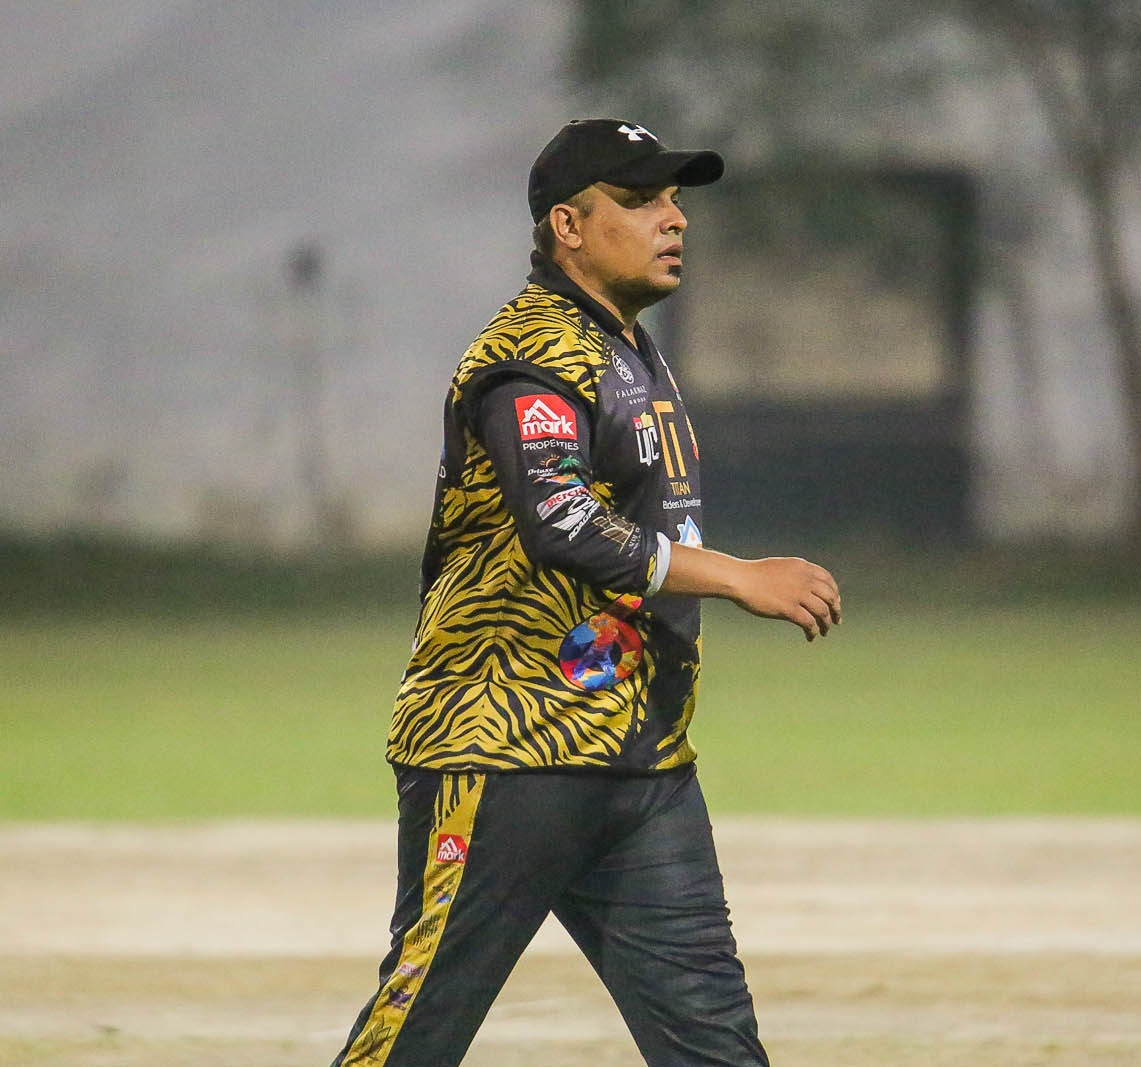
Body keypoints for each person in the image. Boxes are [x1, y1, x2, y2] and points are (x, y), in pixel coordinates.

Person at [330, 118, 842, 1067]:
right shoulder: (530, 353)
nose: (673, 218)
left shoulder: (626, 348)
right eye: (640, 200)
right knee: (415, 1036)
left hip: (638, 761)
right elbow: (562, 520)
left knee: (717, 1048)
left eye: (675, 200)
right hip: (506, 751)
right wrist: (738, 576)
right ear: (568, 225)